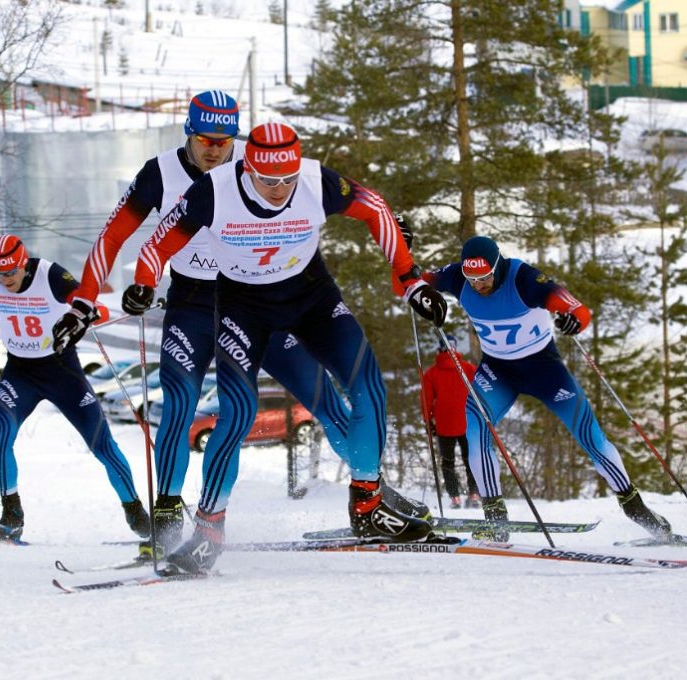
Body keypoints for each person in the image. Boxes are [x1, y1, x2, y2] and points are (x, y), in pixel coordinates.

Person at [52, 91, 425, 553]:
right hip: (194, 304)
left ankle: (371, 491)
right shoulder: (160, 173)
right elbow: (113, 237)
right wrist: (84, 302)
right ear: (189, 132)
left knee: (324, 398)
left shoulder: (263, 166)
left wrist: (394, 231)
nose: (216, 149)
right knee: (183, 400)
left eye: (226, 139)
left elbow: (340, 202)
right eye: (206, 139)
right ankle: (167, 518)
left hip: (264, 298)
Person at [119, 121, 449, 573]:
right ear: (247, 168)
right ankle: (207, 533)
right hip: (243, 308)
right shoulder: (215, 191)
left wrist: (409, 279)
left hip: (312, 298)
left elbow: (375, 208)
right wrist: (143, 284)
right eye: (269, 180)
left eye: (287, 180)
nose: (279, 190)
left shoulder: (315, 180)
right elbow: (155, 248)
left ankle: (368, 505)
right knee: (237, 413)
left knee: (367, 384)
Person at [423, 235, 671, 540]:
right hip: (498, 370)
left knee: (588, 433)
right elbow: (409, 281)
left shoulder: (525, 279)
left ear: (497, 267)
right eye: (471, 278)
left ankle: (635, 506)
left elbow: (577, 310)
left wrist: (573, 320)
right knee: (474, 425)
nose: (478, 285)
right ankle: (495, 518)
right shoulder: (458, 278)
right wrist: (408, 273)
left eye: (484, 278)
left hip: (544, 369)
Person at [0, 233, 150, 542]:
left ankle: (137, 514)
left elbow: (88, 304)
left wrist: (95, 312)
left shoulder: (51, 275)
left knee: (102, 445)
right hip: (20, 372)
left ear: (23, 264)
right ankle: (11, 516)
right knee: (0, 433)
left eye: (10, 273)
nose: (4, 280)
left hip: (61, 371)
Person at [421, 335, 480, 509]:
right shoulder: (469, 368)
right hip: (468, 422)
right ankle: (474, 495)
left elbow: (427, 400)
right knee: (471, 460)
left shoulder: (431, 373)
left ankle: (455, 498)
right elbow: (480, 394)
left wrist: (428, 421)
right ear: (455, 349)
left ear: (439, 350)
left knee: (448, 462)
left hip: (444, 424)